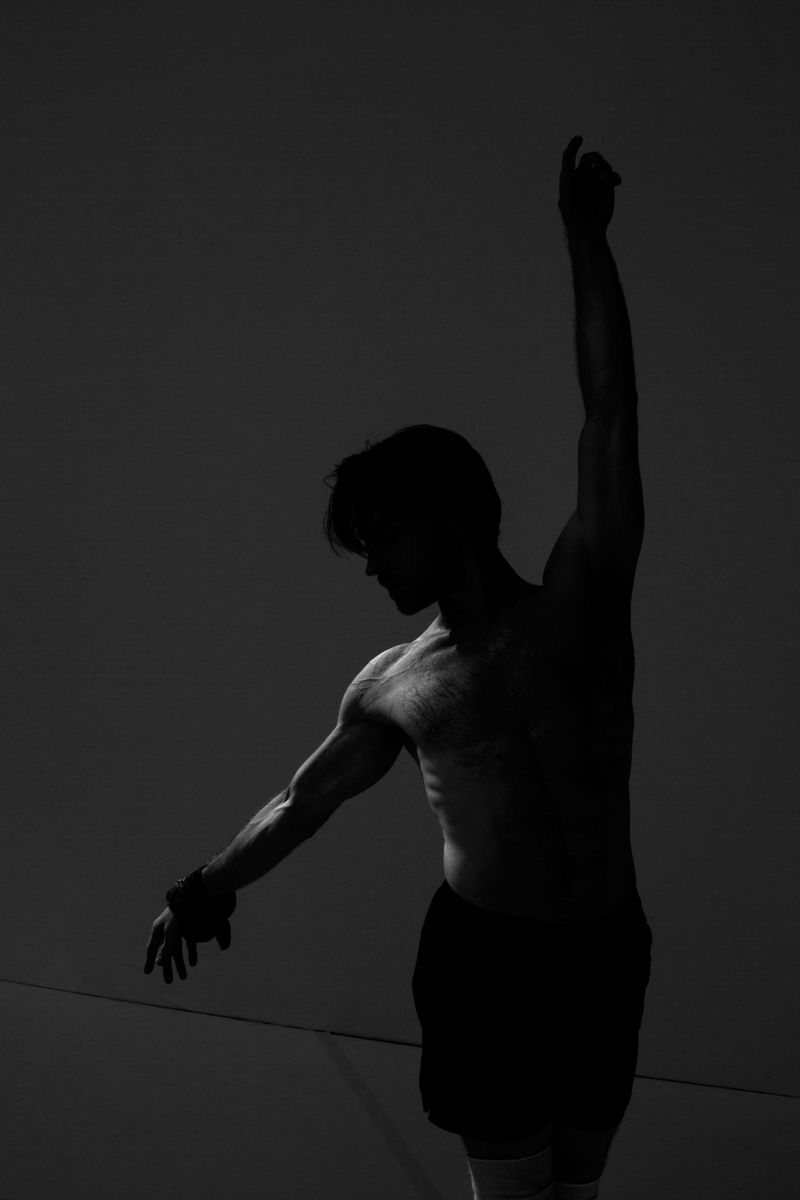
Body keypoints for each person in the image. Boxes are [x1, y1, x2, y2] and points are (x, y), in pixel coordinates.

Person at [144, 134, 652, 1200]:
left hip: (603, 954)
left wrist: (582, 241)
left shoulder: (580, 597)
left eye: (383, 535)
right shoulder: (393, 681)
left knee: (578, 1188)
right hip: (485, 966)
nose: (370, 563)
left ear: (456, 515)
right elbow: (304, 797)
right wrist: (200, 892)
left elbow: (610, 415)